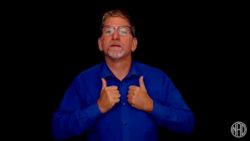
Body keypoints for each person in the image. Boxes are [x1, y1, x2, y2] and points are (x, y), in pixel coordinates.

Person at [52, 9, 195, 141]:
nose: (115, 36)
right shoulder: (82, 82)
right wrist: (97, 108)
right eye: (108, 31)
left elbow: (188, 123)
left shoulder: (158, 79)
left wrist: (151, 106)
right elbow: (58, 129)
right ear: (100, 43)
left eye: (123, 31)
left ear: (134, 44)